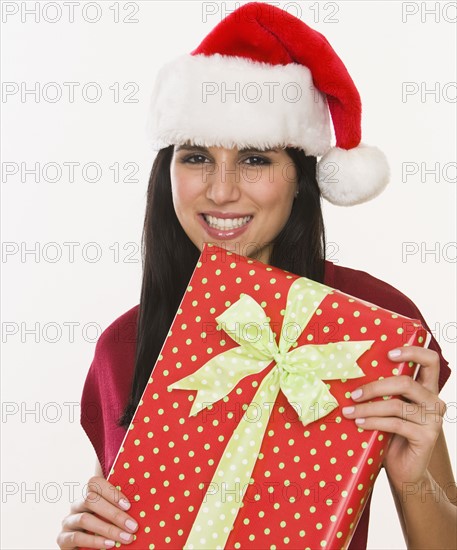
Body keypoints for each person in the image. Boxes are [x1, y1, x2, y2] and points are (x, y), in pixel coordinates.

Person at [57, 3, 456, 549]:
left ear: (301, 179)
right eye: (195, 156)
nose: (220, 191)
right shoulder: (121, 348)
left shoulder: (377, 323)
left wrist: (416, 483)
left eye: (255, 160)